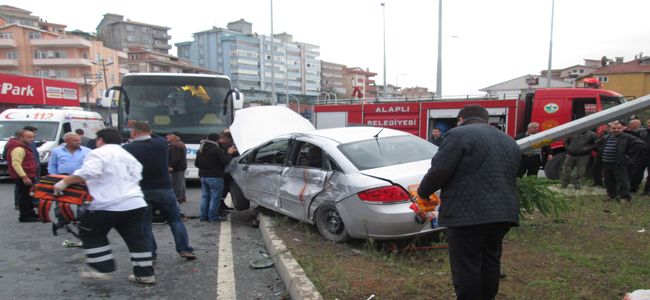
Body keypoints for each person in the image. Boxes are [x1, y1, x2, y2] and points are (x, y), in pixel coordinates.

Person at [417, 105, 521, 300]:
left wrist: (423, 193)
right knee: (490, 260)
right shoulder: (508, 140)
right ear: (486, 120)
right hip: (503, 212)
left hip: (469, 214)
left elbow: (440, 170)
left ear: (461, 119)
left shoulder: (458, 135)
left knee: (467, 264)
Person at [52, 128, 155, 284]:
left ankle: (101, 268)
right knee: (137, 239)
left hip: (106, 204)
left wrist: (64, 182)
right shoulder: (128, 155)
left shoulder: (98, 153)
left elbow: (88, 172)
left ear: (100, 140)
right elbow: (137, 175)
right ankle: (145, 274)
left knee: (91, 234)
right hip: (135, 203)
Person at [122, 121, 196, 261]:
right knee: (175, 220)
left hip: (142, 189)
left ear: (134, 133)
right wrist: (143, 125)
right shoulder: (161, 144)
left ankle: (151, 253)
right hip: (164, 188)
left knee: (145, 224)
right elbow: (153, 135)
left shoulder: (127, 148)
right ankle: (184, 249)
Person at [598, 121, 645, 202]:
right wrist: (602, 150)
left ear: (622, 128)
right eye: (614, 128)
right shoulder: (606, 137)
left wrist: (629, 154)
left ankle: (625, 197)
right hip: (607, 162)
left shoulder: (627, 137)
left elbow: (641, 144)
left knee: (622, 181)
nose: (616, 130)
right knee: (609, 181)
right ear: (610, 129)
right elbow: (598, 143)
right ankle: (612, 195)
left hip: (620, 163)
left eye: (618, 128)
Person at [195, 132, 236, 222]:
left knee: (205, 197)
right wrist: (229, 153)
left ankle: (203, 216)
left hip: (203, 176)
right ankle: (213, 217)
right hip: (215, 176)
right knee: (215, 198)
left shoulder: (201, 149)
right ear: (217, 140)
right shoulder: (216, 150)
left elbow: (196, 164)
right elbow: (225, 161)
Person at [6, 130, 39, 222]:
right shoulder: (18, 149)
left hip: (28, 175)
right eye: (29, 137)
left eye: (33, 137)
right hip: (23, 176)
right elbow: (16, 164)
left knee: (29, 195)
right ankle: (25, 216)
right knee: (25, 196)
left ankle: (30, 213)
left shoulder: (24, 147)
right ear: (21, 137)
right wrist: (24, 176)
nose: (32, 139)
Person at [218, 131, 239, 214]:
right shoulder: (219, 147)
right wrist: (229, 153)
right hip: (222, 171)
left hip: (228, 172)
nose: (227, 142)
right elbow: (225, 160)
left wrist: (235, 152)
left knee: (226, 189)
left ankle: (222, 205)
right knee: (221, 191)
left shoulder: (229, 146)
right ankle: (220, 207)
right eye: (225, 139)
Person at [625, 119, 647, 192]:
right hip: (632, 156)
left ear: (638, 125)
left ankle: (637, 187)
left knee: (637, 173)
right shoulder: (627, 132)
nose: (629, 125)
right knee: (632, 173)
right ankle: (632, 187)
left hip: (641, 156)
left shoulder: (643, 132)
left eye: (632, 124)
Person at [166, 133, 187, 204]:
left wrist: (171, 166)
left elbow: (175, 158)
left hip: (176, 167)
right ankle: (182, 197)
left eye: (168, 135)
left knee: (176, 184)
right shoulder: (180, 143)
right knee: (181, 183)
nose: (166, 137)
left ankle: (177, 198)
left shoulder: (175, 145)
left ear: (174, 137)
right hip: (181, 166)